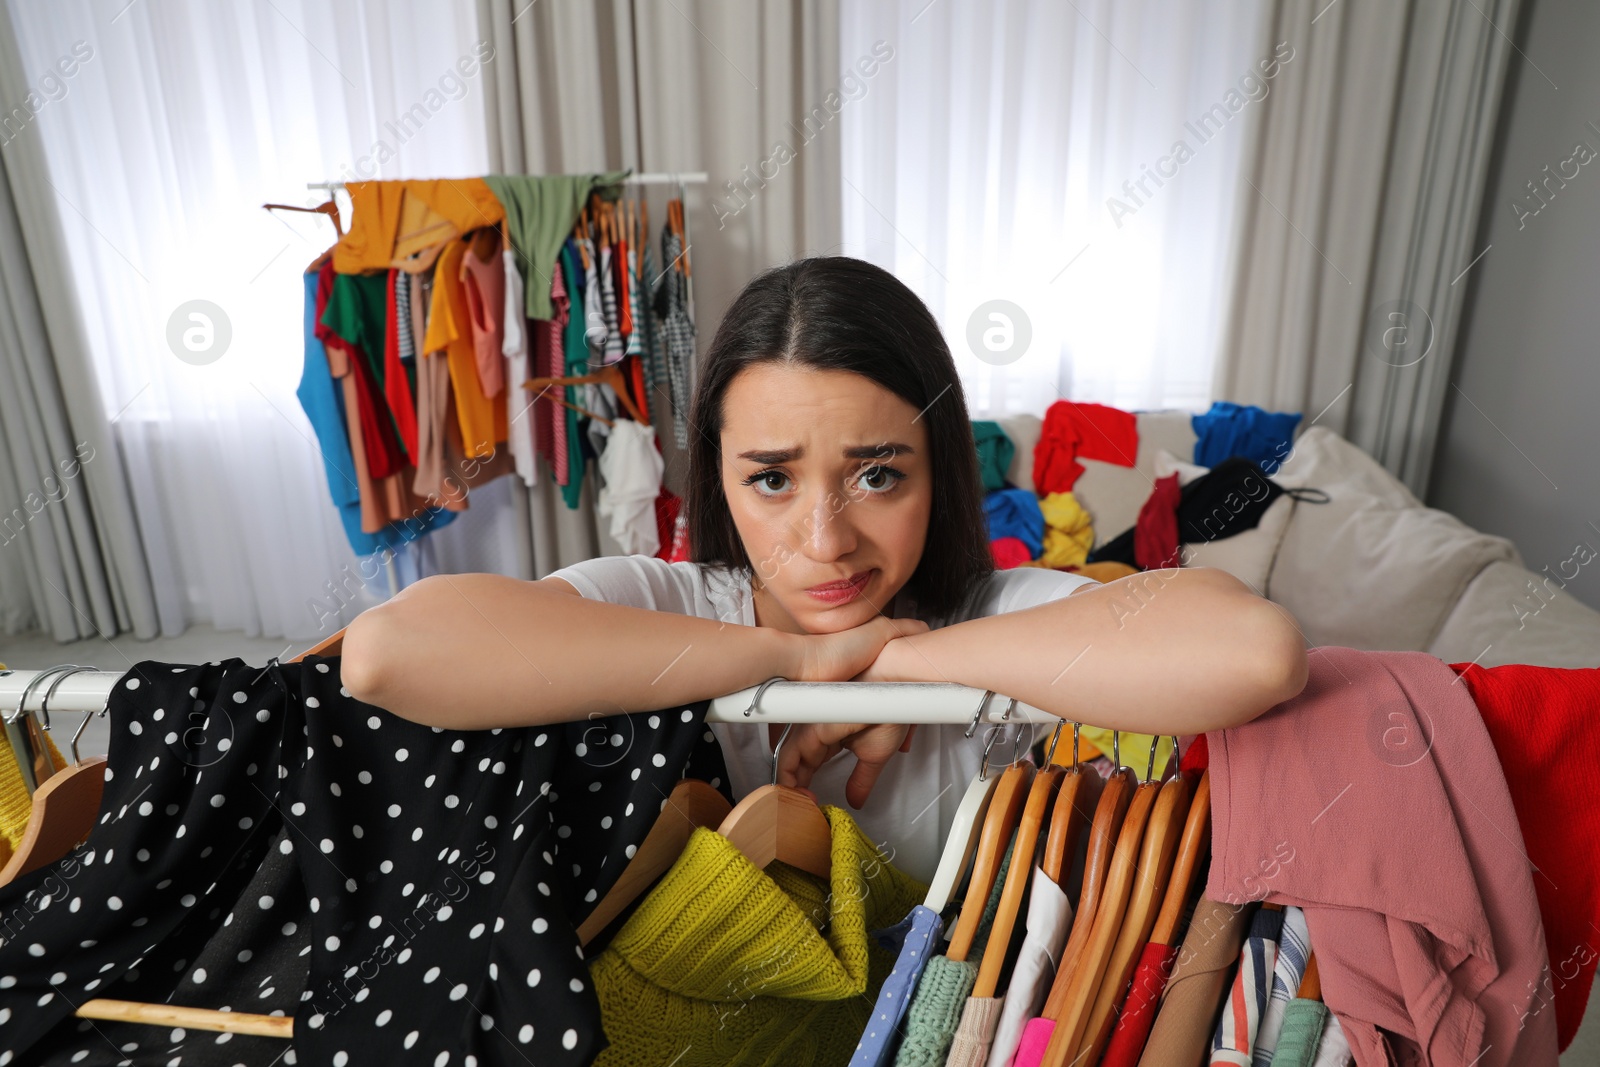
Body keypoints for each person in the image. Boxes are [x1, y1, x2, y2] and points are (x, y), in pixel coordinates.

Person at [341, 256, 1308, 881]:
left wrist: (908, 663)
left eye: (878, 473)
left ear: (942, 472)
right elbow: (389, 653)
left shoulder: (992, 617)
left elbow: (1252, 650)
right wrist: (803, 665)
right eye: (771, 479)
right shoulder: (660, 600)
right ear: (717, 475)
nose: (828, 538)